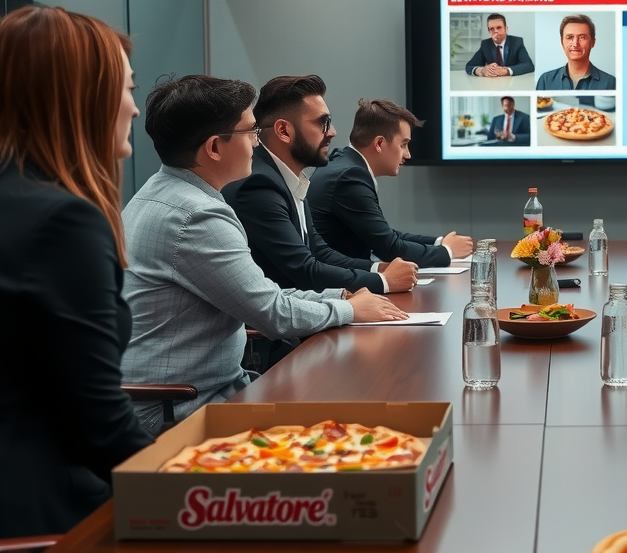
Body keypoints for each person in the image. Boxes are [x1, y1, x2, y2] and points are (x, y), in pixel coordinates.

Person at [122, 76, 406, 436]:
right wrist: (350, 310)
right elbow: (272, 312)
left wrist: (341, 297)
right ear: (214, 147)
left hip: (198, 391)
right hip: (182, 406)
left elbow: (261, 293)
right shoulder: (197, 217)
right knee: (348, 418)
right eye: (251, 132)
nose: (258, 142)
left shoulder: (160, 191)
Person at [0, 6, 152, 538]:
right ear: (85, 97)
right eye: (128, 88)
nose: (134, 108)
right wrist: (200, 491)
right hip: (40, 519)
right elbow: (99, 425)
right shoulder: (63, 221)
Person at [223, 75, 417, 294]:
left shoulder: (288, 178)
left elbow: (320, 253)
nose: (332, 132)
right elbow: (305, 269)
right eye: (323, 123)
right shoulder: (259, 185)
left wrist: (378, 268)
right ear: (284, 131)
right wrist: (384, 281)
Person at [309, 98, 474, 266]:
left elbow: (383, 235)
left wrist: (439, 242)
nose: (408, 155)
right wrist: (447, 252)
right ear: (379, 143)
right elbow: (389, 248)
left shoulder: (343, 162)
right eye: (403, 145)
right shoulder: (350, 177)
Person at [535, 15, 616, 91]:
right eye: (569, 37)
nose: (575, 44)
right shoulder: (546, 80)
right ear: (562, 42)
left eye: (582, 37)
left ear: (592, 43)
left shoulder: (610, 83)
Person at [465, 13, 534, 77]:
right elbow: (469, 66)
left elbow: (529, 65)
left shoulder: (516, 42)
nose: (495, 31)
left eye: (499, 27)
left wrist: (506, 71)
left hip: (512, 82)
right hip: (492, 83)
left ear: (506, 29)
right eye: (491, 29)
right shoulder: (485, 44)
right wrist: (481, 70)